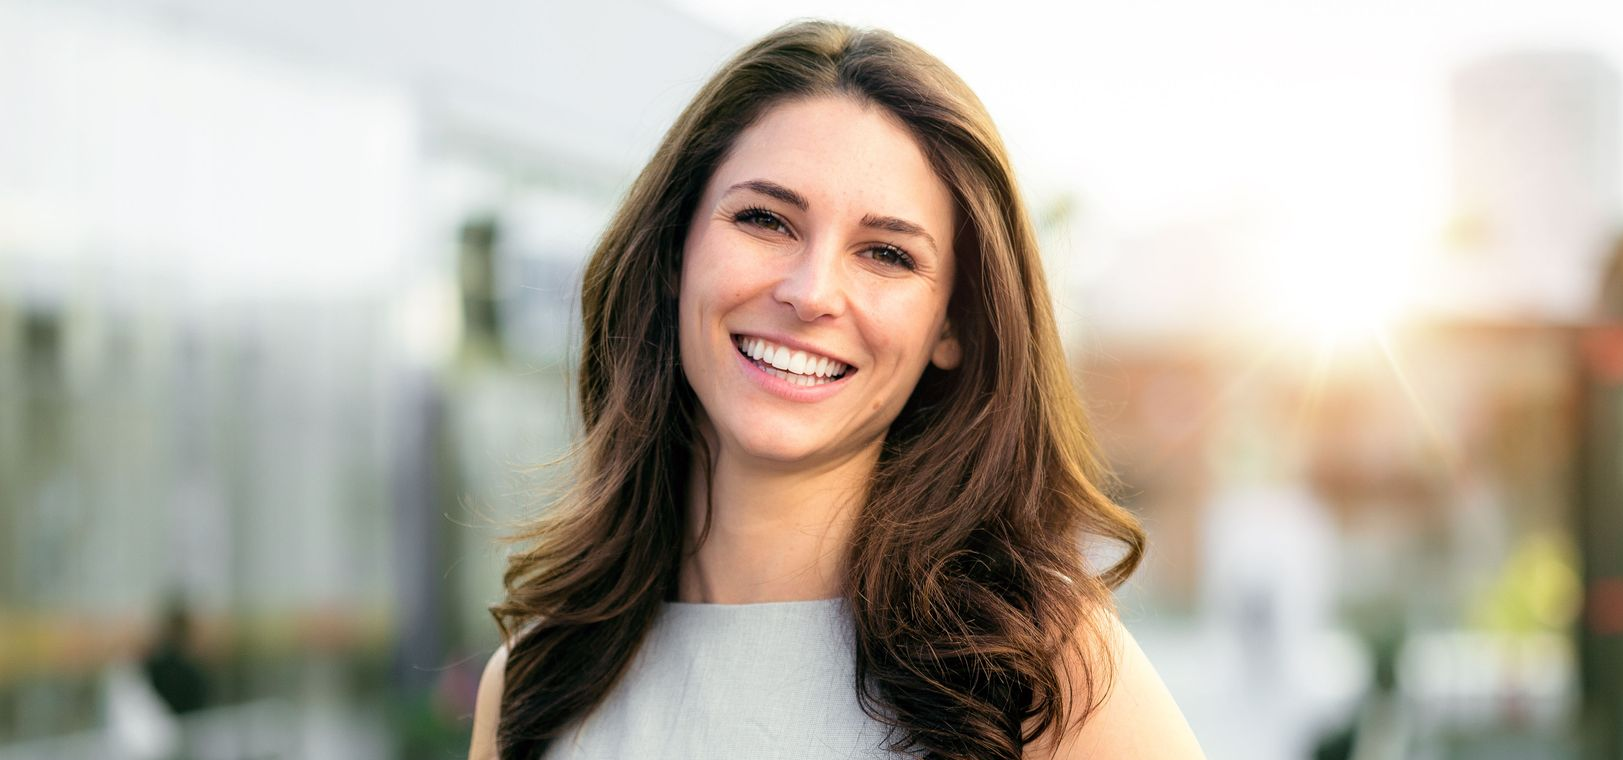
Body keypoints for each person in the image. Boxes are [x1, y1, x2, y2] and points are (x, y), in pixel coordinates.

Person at [469, 19, 1204, 760]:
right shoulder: (532, 683)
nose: (812, 291)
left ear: (953, 325)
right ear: (673, 252)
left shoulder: (1041, 675)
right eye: (764, 219)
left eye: (886, 253)